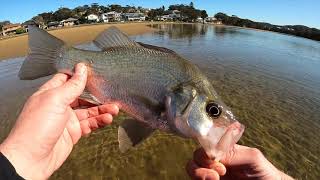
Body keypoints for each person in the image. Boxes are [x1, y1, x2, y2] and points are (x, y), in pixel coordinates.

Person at [0, 63, 292, 180]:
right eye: (213, 111)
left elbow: (141, 125)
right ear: (184, 96)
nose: (219, 121)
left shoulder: (169, 113)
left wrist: (21, 162)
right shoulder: (167, 108)